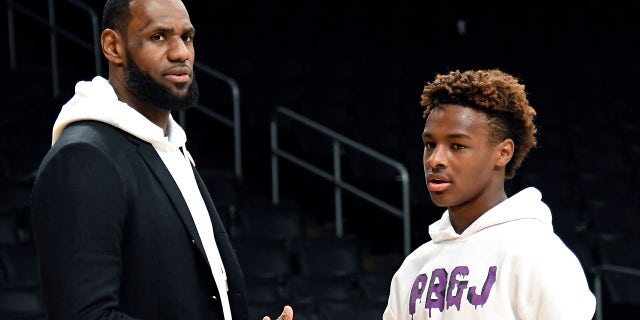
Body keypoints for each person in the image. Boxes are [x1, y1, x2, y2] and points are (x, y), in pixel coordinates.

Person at [30, 0, 293, 319]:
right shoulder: (85, 157)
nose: (181, 53)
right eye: (159, 37)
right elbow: (85, 316)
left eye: (187, 37)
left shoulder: (169, 144)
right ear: (114, 47)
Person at [383, 69, 596, 319]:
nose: (435, 159)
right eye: (430, 144)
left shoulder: (539, 255)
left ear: (503, 153)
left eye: (457, 146)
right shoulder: (413, 267)